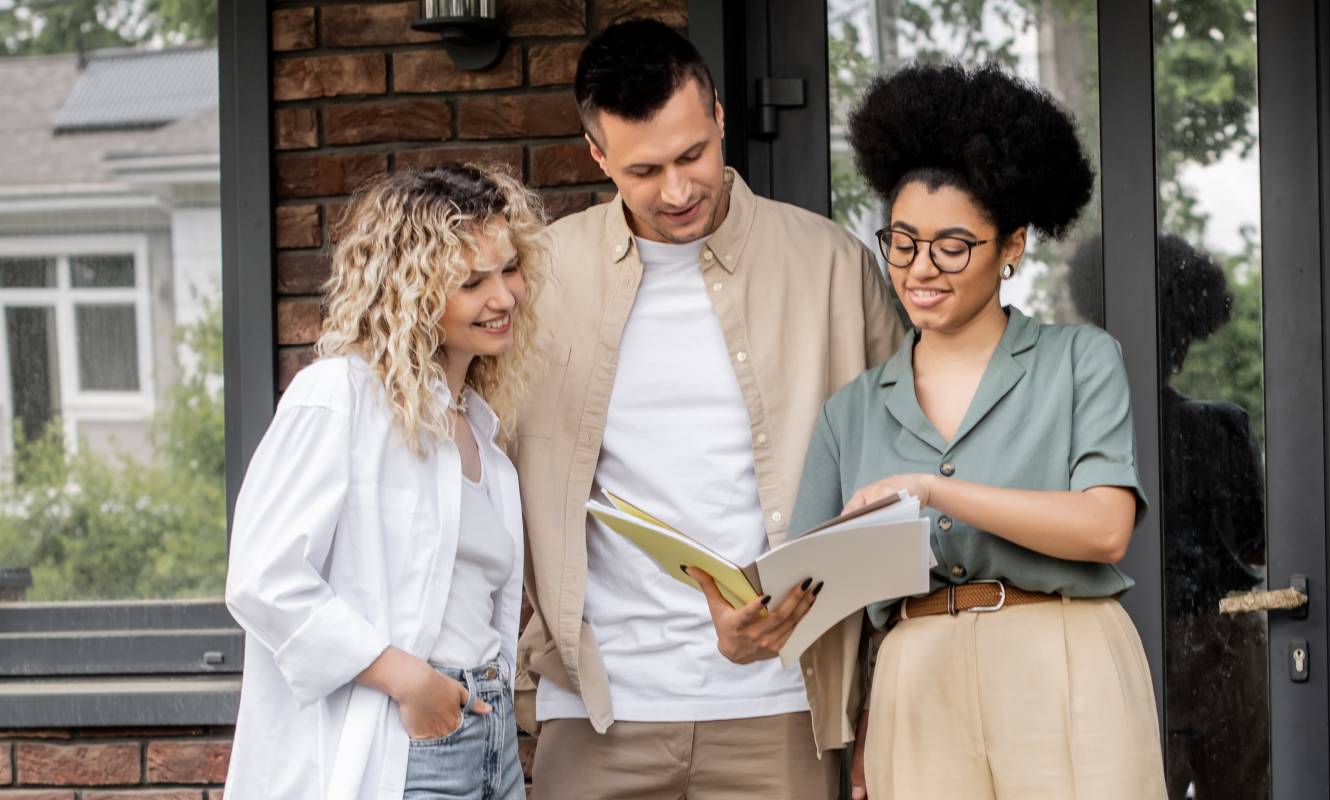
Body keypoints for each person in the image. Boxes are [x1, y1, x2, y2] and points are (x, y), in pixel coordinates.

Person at [511, 19, 906, 799]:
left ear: (720, 116)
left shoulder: (830, 265)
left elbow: (899, 479)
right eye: (644, 169)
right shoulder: (538, 279)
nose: (679, 189)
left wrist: (878, 692)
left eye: (693, 154)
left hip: (784, 706)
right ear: (597, 158)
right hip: (596, 711)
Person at [790, 63, 1165, 800]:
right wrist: (748, 632)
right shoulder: (852, 410)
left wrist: (932, 490)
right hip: (915, 682)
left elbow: (1104, 527)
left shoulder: (1079, 360)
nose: (920, 268)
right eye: (902, 241)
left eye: (953, 245)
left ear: (1013, 246)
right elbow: (807, 587)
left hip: (1063, 655)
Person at [223, 163, 546, 799]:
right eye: (472, 281)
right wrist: (409, 681)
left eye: (509, 269)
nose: (504, 297)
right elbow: (264, 577)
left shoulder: (479, 429)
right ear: (413, 290)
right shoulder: (340, 397)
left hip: (490, 734)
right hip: (407, 740)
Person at [1070, 234, 1270, 797]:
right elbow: (1258, 545)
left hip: (1131, 632)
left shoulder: (1089, 437)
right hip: (1227, 635)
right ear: (1184, 339)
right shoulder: (1222, 426)